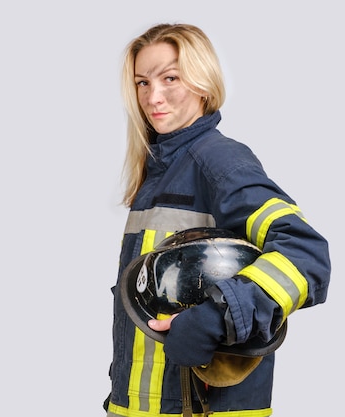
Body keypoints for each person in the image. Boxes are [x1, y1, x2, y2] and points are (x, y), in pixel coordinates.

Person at [104, 23, 331, 417]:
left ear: (202, 82)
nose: (152, 97)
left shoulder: (217, 161)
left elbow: (306, 253)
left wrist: (217, 317)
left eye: (169, 78)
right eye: (142, 83)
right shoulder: (158, 173)